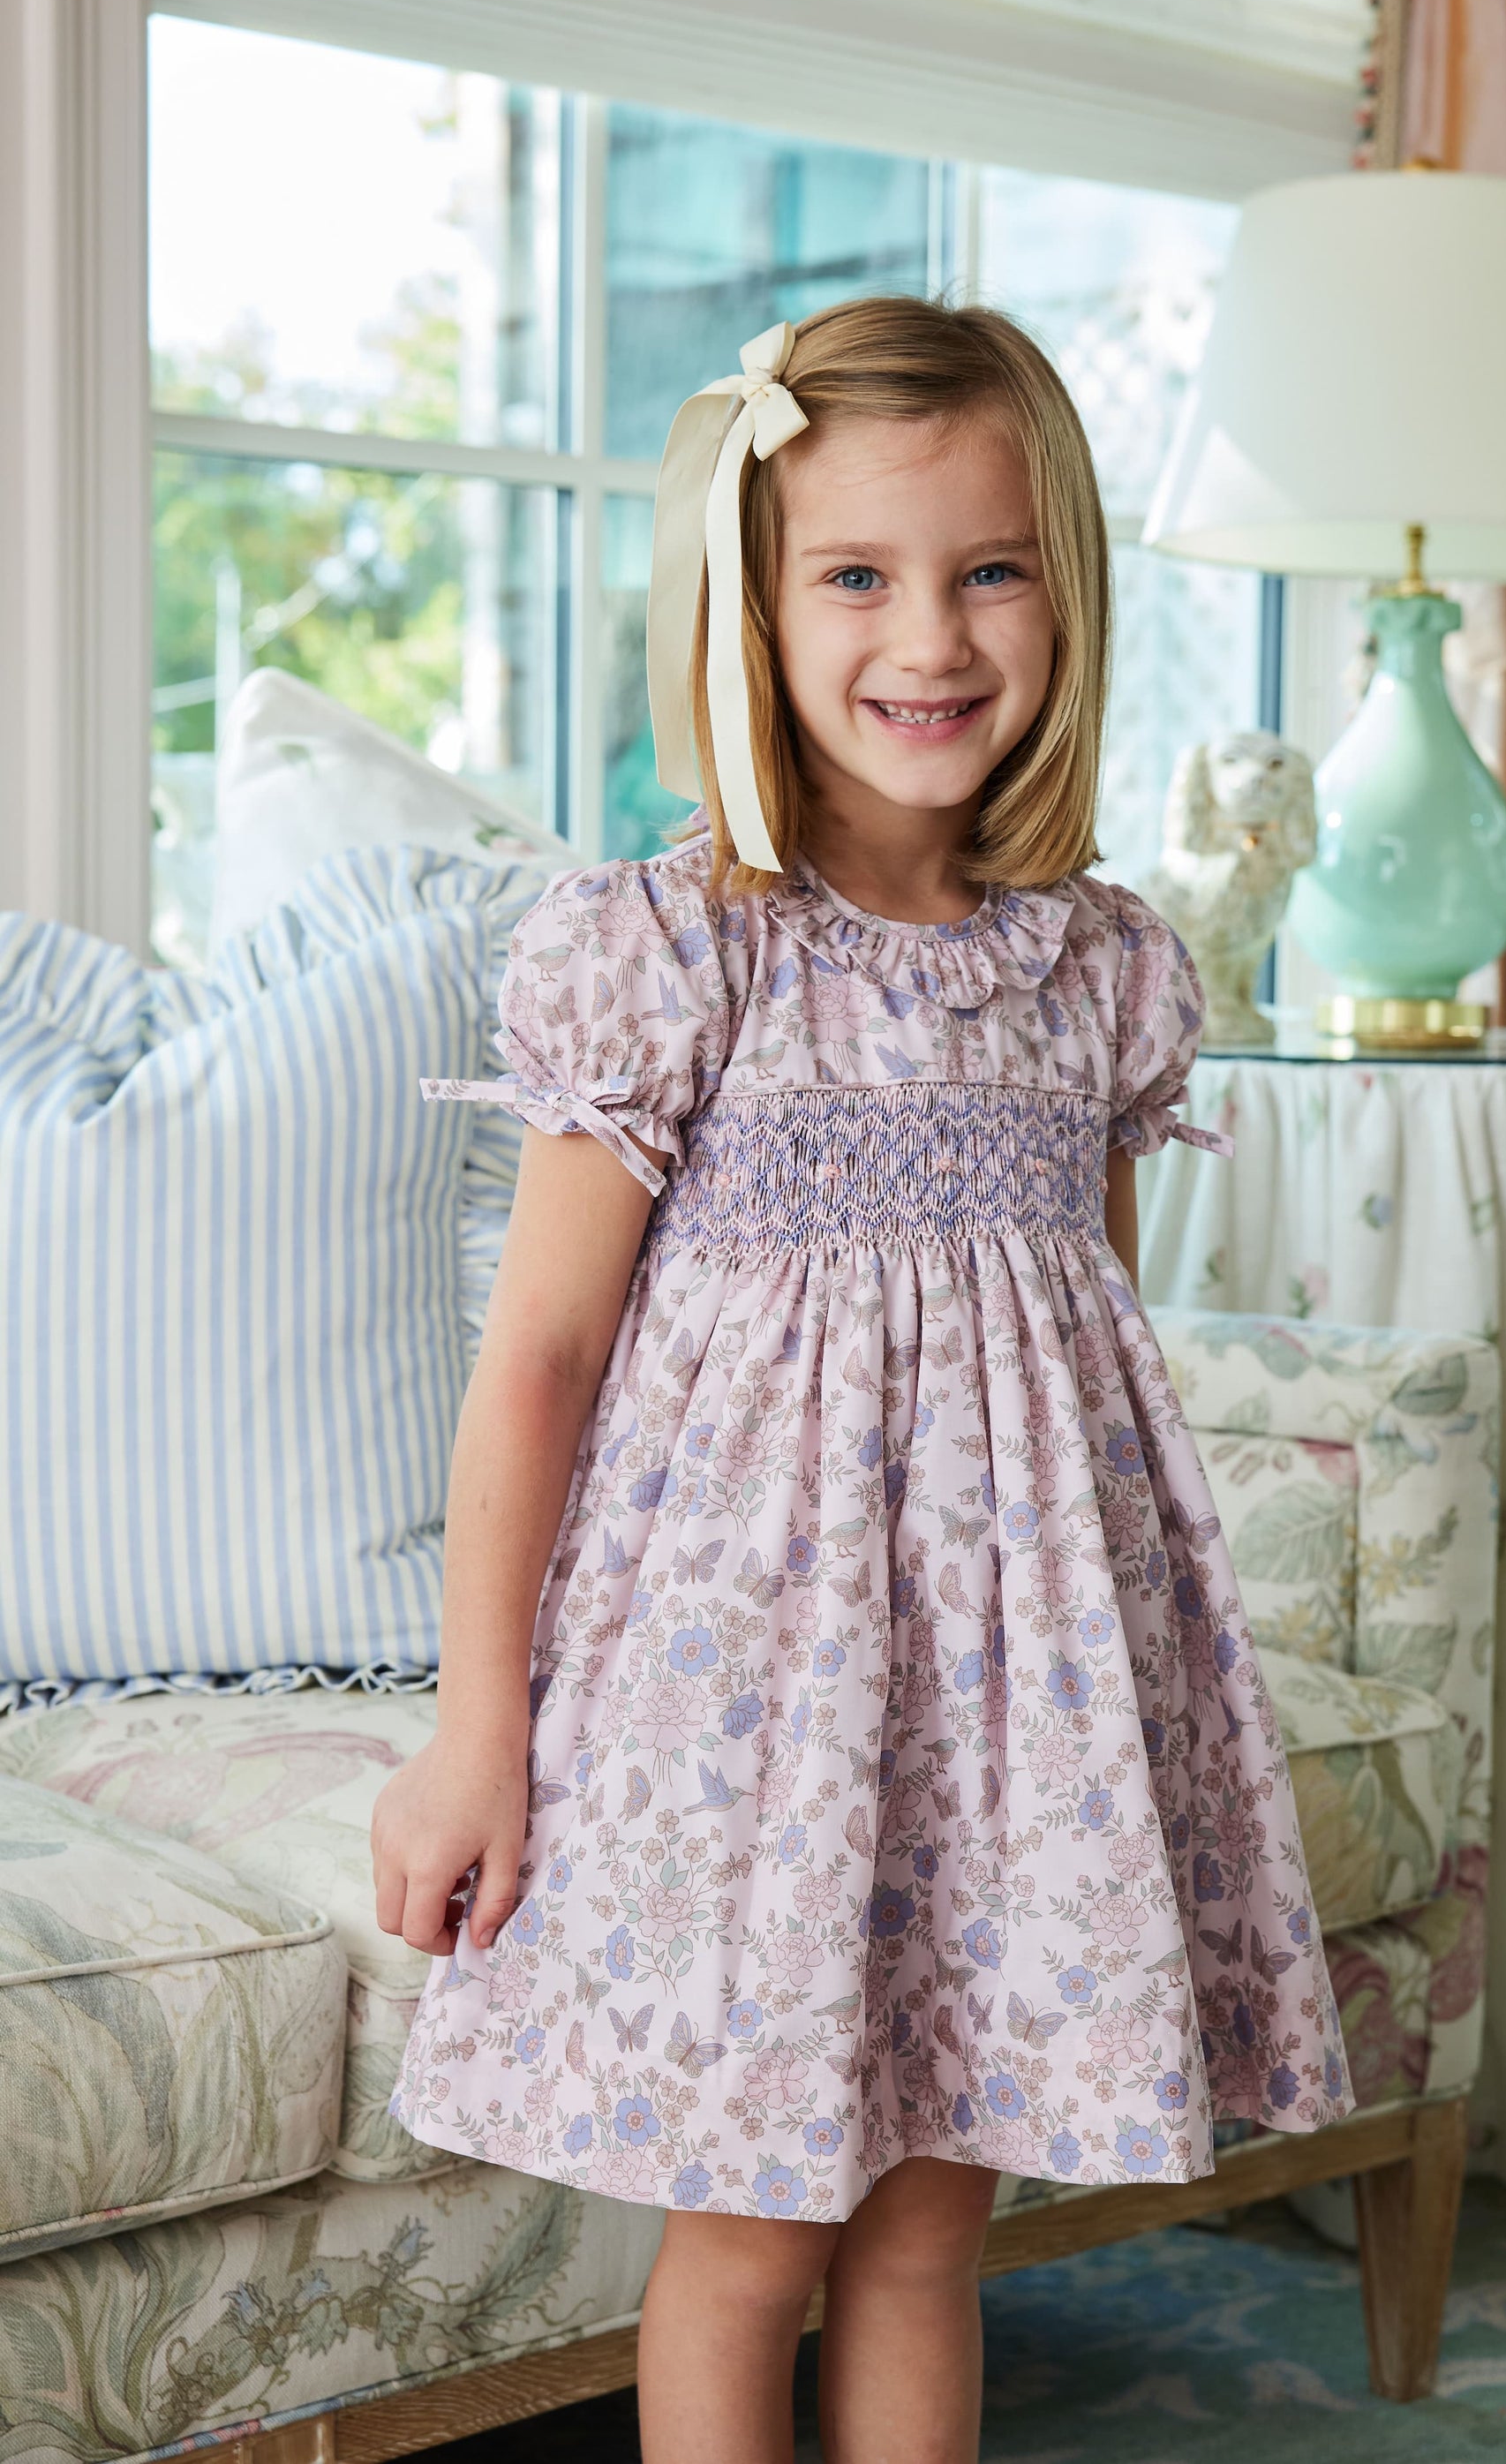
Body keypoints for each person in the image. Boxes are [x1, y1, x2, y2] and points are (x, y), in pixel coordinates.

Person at [374, 297, 1350, 2464]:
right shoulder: (672, 948)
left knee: (930, 2229)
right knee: (747, 2241)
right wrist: (477, 1729)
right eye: (856, 575)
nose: (931, 634)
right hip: (749, 1717)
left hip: (1015, 1723)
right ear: (751, 599)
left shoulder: (1097, 968)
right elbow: (536, 1356)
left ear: (1064, 594)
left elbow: (1080, 1368)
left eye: (989, 567)